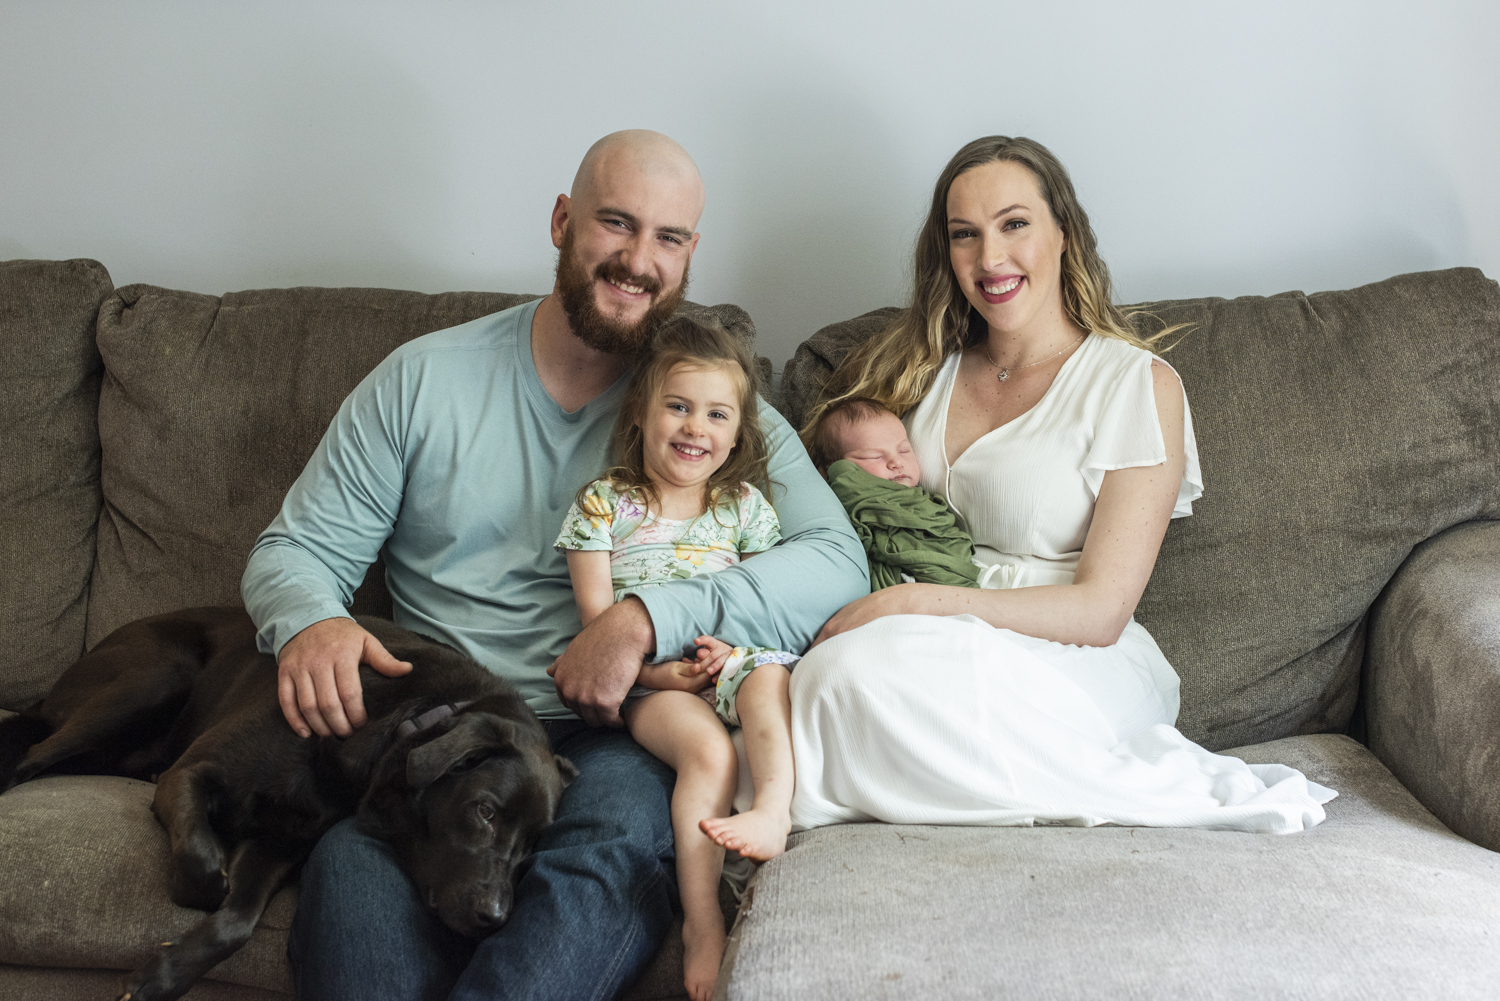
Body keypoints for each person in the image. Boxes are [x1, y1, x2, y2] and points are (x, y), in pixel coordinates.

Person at [241, 130, 867, 1001]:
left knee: (610, 847)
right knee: (351, 874)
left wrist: (646, 618)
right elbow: (296, 548)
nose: (638, 260)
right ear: (562, 222)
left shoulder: (710, 406)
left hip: (622, 733)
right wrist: (310, 618)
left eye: (668, 237)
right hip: (451, 729)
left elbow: (839, 562)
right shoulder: (423, 381)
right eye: (615, 223)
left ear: (690, 256)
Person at [790, 136, 1335, 834]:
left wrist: (918, 602)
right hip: (923, 640)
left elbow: (1101, 610)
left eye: (1014, 224)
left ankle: (936, 768)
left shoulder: (1135, 385)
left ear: (1064, 234)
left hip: (1076, 654)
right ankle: (940, 768)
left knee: (854, 680)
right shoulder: (919, 371)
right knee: (822, 681)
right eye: (965, 235)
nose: (990, 259)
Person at [555, 316, 801, 1000]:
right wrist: (660, 672)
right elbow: (599, 633)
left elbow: (762, 601)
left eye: (716, 413)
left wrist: (732, 654)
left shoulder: (745, 508)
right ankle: (702, 922)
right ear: (642, 411)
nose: (696, 427)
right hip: (650, 685)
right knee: (711, 755)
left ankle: (773, 811)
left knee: (770, 674)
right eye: (679, 406)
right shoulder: (605, 505)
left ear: (737, 432)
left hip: (720, 661)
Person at [807, 396, 982, 589]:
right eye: (875, 456)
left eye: (904, 451)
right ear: (833, 468)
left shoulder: (925, 501)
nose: (896, 462)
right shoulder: (848, 496)